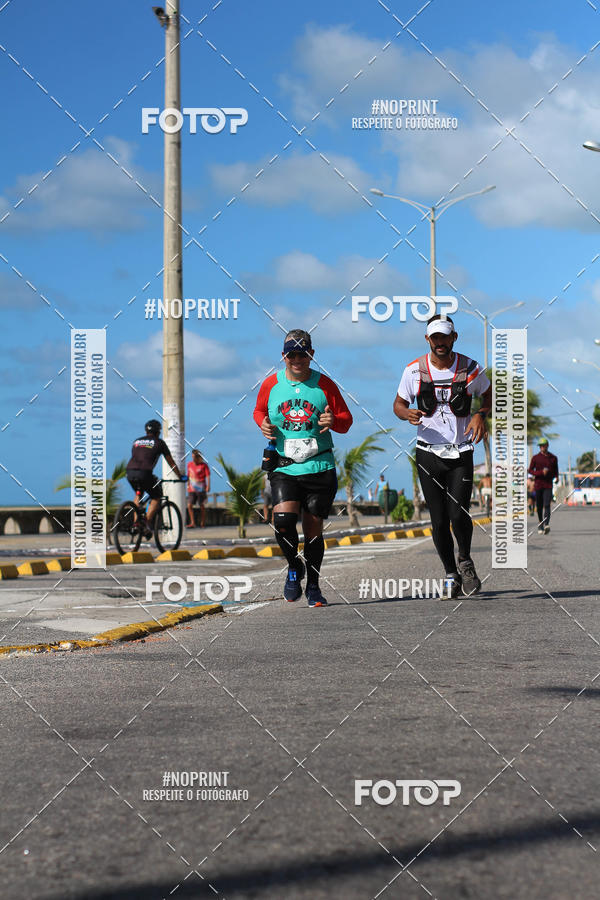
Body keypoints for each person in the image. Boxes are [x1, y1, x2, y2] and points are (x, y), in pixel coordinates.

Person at [393, 314, 491, 598]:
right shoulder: (414, 371)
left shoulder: (471, 368)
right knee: (438, 520)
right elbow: (398, 404)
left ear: (453, 338)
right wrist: (406, 413)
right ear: (428, 339)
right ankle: (450, 573)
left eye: (445, 337)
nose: (440, 342)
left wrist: (480, 415)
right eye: (435, 337)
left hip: (461, 451)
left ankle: (466, 562)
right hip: (428, 453)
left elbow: (489, 395)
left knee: (458, 513)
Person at [253, 329, 353, 607]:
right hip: (284, 465)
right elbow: (259, 410)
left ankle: (314, 586)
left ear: (312, 354)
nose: (297, 360)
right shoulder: (271, 384)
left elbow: (346, 421)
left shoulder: (325, 385)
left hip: (319, 465)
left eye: (303, 354)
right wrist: (262, 424)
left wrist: (333, 421)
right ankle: (294, 566)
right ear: (283, 356)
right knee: (283, 522)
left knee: (313, 530)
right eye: (292, 355)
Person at [125, 420, 185, 537]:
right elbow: (171, 463)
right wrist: (180, 476)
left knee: (138, 494)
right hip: (144, 473)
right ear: (158, 432)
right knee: (156, 496)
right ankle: (146, 523)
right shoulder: (160, 443)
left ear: (146, 431)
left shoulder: (136, 441)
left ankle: (136, 523)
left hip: (129, 472)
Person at [528, 438, 558, 534]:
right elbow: (530, 470)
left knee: (547, 504)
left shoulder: (553, 458)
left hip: (548, 484)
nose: (542, 447)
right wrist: (540, 472)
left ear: (547, 445)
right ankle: (540, 524)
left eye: (543, 445)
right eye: (540, 446)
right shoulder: (535, 458)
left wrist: (556, 477)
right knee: (539, 506)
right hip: (538, 485)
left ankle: (546, 524)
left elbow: (556, 471)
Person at [187, 449, 210, 528]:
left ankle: (202, 522)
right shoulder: (189, 464)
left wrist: (208, 486)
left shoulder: (204, 465)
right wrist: (188, 485)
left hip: (201, 488)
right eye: (192, 457)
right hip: (191, 488)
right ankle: (192, 522)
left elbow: (207, 476)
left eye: (194, 457)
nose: (193, 458)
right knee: (189, 505)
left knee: (201, 505)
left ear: (198, 457)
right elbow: (188, 475)